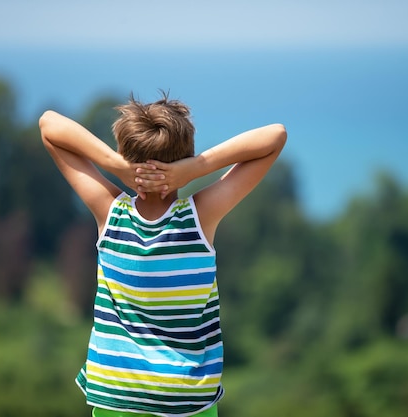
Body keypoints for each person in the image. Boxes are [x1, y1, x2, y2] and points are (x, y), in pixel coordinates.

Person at [39, 93, 286, 417]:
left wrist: (118, 166)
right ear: (184, 157)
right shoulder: (200, 217)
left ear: (126, 153)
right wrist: (196, 168)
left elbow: (49, 125)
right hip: (186, 400)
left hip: (116, 394)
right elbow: (275, 136)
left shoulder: (109, 212)